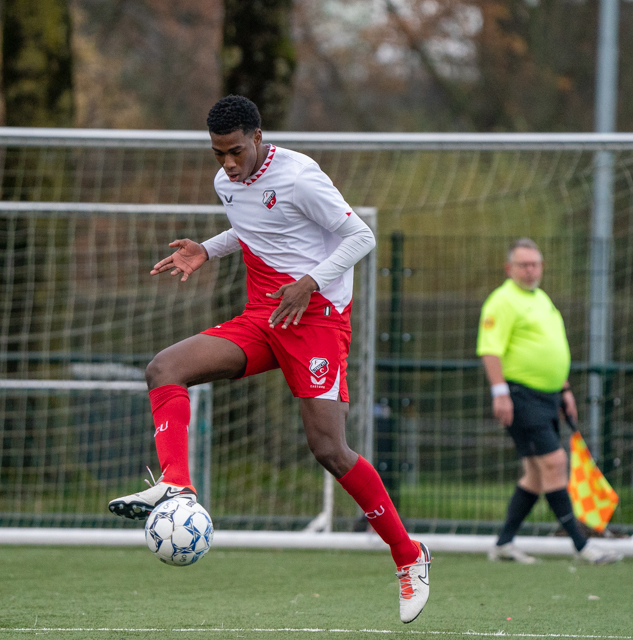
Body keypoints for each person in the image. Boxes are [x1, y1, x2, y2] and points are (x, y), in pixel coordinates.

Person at [108, 95, 430, 624]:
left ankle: (408, 554)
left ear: (258, 137)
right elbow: (255, 230)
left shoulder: (301, 176)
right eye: (218, 155)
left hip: (317, 318)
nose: (228, 165)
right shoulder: (225, 183)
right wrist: (207, 250)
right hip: (265, 314)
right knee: (164, 368)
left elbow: (360, 236)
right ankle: (177, 484)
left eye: (235, 151)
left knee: (329, 448)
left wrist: (309, 282)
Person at [477, 238, 621, 565]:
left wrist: (565, 390)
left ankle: (503, 544)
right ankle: (582, 546)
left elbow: (553, 350)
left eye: (535, 264)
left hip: (549, 396)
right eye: (523, 265)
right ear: (509, 268)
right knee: (555, 463)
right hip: (520, 395)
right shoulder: (502, 301)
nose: (530, 271)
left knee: (535, 475)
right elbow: (490, 348)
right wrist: (500, 392)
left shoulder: (542, 299)